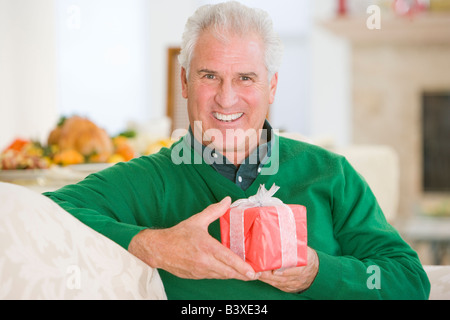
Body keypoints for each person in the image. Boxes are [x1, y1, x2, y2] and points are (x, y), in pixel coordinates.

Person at [45, 1, 430, 300]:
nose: (226, 99)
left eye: (245, 78)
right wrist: (153, 245)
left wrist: (316, 271)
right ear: (185, 81)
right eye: (209, 76)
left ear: (272, 87)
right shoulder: (148, 179)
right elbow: (37, 214)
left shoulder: (330, 173)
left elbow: (408, 280)